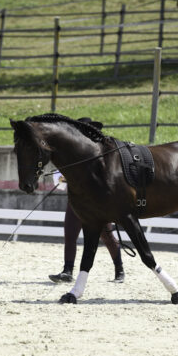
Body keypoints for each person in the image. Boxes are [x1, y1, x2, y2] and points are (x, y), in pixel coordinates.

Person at [47, 117, 124, 284]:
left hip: (98, 203)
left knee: (107, 237)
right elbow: (59, 175)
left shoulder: (101, 153)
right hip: (76, 201)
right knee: (70, 235)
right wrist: (63, 178)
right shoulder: (71, 155)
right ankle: (67, 271)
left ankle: (119, 270)